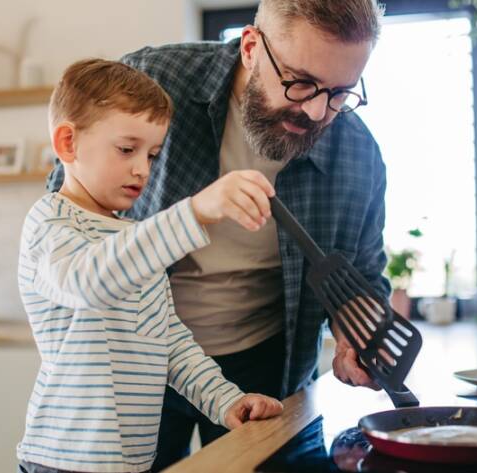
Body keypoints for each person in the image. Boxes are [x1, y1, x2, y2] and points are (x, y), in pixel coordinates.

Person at [46, 1, 389, 469]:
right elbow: (65, 216)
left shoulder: (357, 154)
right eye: (300, 82)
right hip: (130, 358)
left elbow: (361, 277)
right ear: (251, 47)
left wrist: (356, 334)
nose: (315, 111)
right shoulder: (152, 83)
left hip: (262, 364)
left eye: (339, 93)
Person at [18, 58, 283, 473]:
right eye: (127, 149)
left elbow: (169, 340)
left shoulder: (132, 237)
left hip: (133, 462)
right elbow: (88, 281)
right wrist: (194, 212)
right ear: (68, 143)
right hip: (64, 459)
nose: (142, 169)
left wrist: (227, 400)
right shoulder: (50, 222)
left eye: (153, 154)